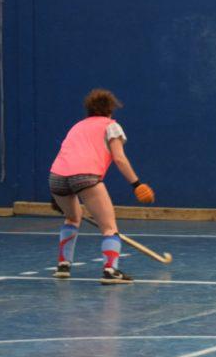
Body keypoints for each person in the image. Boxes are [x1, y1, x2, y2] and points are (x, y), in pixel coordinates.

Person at [49, 88, 155, 284]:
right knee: (109, 227)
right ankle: (110, 270)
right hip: (86, 177)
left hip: (57, 177)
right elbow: (119, 159)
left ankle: (63, 266)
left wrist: (56, 194)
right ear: (110, 110)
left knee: (72, 218)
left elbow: (66, 155)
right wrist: (136, 184)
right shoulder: (111, 126)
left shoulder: (77, 126)